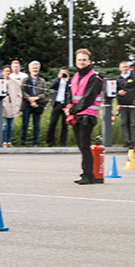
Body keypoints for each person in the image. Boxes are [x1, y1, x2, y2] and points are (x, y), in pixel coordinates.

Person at [66, 48, 103, 184]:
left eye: (84, 60)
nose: (81, 62)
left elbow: (88, 98)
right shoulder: (76, 76)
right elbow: (70, 93)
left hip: (87, 115)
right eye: (79, 60)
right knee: (82, 146)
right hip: (77, 114)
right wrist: (69, 107)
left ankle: (88, 175)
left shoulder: (94, 78)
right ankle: (87, 174)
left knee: (85, 146)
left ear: (89, 61)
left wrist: (72, 110)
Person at [115, 60, 135, 149]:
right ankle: (126, 141)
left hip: (133, 103)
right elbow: (114, 91)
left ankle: (133, 141)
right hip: (123, 103)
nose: (125, 69)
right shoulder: (118, 78)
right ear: (120, 68)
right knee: (124, 123)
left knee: (134, 123)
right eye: (123, 67)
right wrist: (118, 93)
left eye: (126, 67)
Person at [20, 61, 47, 147]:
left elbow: (44, 93)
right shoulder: (25, 80)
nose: (35, 70)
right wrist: (29, 99)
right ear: (29, 69)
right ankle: (22, 143)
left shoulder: (42, 81)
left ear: (39, 69)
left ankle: (35, 143)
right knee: (25, 124)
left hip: (38, 105)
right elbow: (22, 91)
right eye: (33, 68)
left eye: (36, 68)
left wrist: (36, 98)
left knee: (37, 125)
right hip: (27, 105)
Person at [47, 69, 71, 147]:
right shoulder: (57, 81)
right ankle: (50, 142)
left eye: (65, 73)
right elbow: (51, 86)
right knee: (52, 124)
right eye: (62, 73)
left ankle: (63, 143)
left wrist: (67, 80)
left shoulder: (69, 82)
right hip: (57, 104)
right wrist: (59, 78)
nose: (63, 74)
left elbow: (72, 89)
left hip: (65, 104)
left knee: (65, 125)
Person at [1, 66, 22, 147]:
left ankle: (9, 141)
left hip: (12, 105)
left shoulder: (14, 82)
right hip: (3, 106)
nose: (7, 72)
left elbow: (19, 94)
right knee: (4, 125)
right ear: (3, 72)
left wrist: (17, 104)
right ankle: (4, 141)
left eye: (9, 71)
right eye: (6, 71)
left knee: (11, 126)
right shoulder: (0, 81)